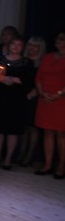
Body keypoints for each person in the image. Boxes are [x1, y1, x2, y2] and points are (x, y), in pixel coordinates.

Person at [0, 35, 35, 169]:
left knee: (13, 130)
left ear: (23, 47)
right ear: (9, 45)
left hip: (17, 99)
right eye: (14, 44)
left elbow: (29, 80)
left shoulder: (27, 62)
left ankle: (8, 159)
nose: (16, 47)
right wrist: (2, 79)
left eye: (19, 44)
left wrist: (14, 80)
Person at [33, 30, 65, 179]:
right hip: (45, 99)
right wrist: (41, 92)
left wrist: (59, 93)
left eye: (62, 39)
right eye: (57, 38)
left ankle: (61, 166)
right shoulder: (47, 57)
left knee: (61, 134)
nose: (58, 40)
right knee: (47, 132)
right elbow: (39, 77)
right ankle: (47, 164)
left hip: (61, 100)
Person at [18, 36, 47, 166]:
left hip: (34, 97)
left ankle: (29, 156)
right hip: (21, 96)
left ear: (40, 48)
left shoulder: (42, 62)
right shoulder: (23, 60)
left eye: (36, 46)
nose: (32, 48)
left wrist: (34, 93)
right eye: (30, 45)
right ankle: (21, 153)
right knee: (23, 127)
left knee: (32, 128)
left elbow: (43, 81)